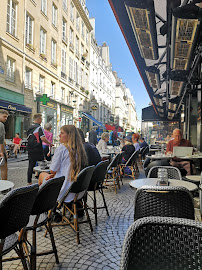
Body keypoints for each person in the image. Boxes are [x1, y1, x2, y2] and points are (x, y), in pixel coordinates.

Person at [38, 125, 88, 203]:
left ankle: (47, 206)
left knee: (42, 175)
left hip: (64, 191)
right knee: (49, 176)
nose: (59, 135)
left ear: (69, 136)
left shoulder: (62, 149)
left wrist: (53, 174)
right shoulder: (80, 149)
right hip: (78, 192)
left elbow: (52, 170)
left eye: (62, 133)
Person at [27, 113, 53, 185]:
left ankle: (29, 182)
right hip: (38, 148)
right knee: (43, 165)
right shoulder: (39, 128)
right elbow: (42, 138)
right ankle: (42, 181)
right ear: (38, 119)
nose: (41, 120)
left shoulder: (30, 127)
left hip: (30, 149)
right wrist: (49, 143)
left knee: (30, 165)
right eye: (41, 119)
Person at [0, 109, 9, 180]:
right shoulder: (1, 125)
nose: (6, 118)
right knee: (4, 169)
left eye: (7, 117)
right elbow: (1, 140)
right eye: (4, 116)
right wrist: (2, 152)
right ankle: (5, 186)